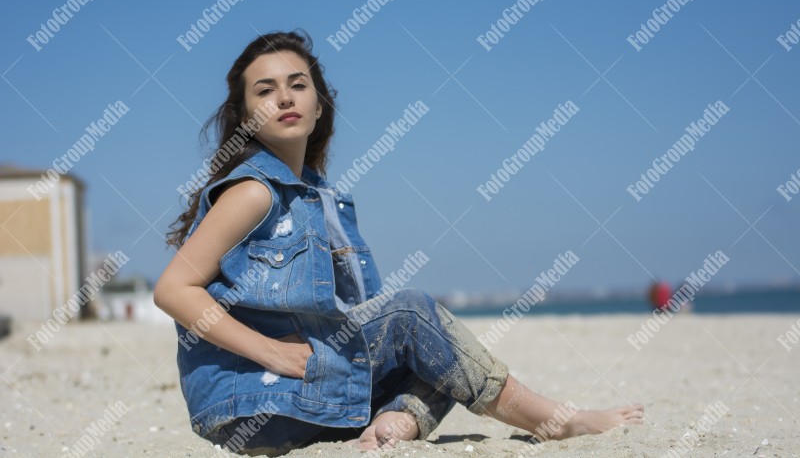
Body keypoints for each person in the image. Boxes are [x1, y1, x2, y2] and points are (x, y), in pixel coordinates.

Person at [154, 30, 644, 456]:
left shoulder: (322, 200)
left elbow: (358, 317)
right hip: (253, 403)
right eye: (265, 91)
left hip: (304, 398)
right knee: (413, 315)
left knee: (444, 354)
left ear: (319, 104)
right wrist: (271, 352)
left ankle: (395, 425)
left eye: (297, 85)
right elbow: (173, 291)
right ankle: (551, 420)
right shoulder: (254, 191)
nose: (284, 97)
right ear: (245, 115)